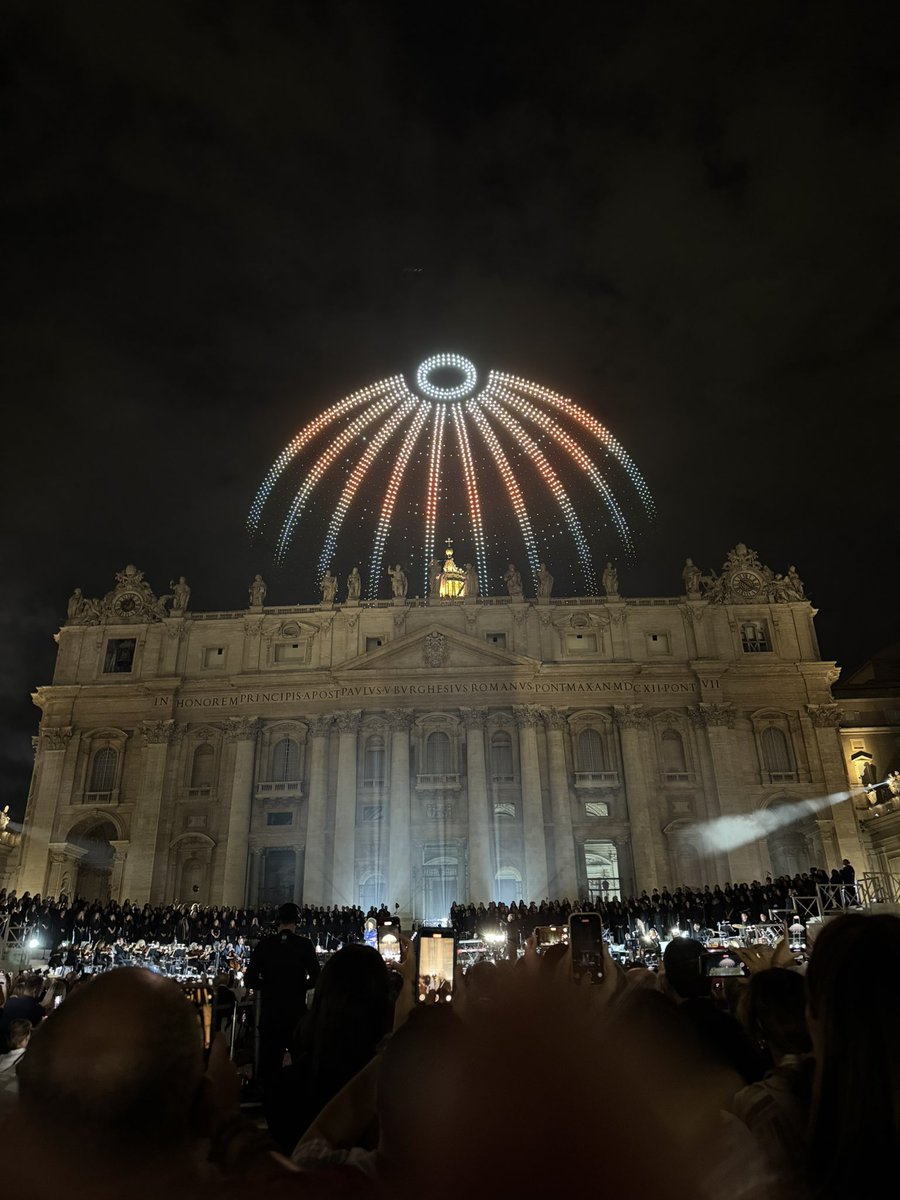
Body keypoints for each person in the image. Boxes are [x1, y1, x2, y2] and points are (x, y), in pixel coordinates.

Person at [244, 902, 321, 1134]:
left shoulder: (265, 946)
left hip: (271, 1016)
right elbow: (316, 977)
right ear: (297, 922)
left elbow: (249, 980)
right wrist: (299, 986)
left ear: (278, 922)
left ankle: (271, 1121)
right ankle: (300, 1120)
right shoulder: (304, 945)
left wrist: (267, 986)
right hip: (296, 1015)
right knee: (301, 1065)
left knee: (269, 1071)